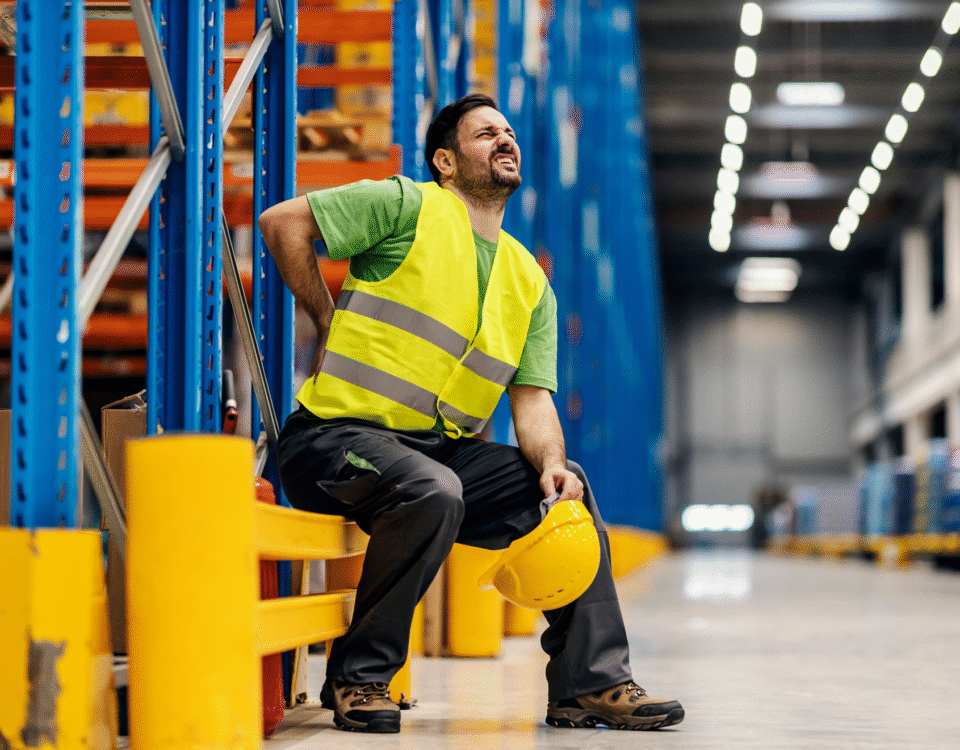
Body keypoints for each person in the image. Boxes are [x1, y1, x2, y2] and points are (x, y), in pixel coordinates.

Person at [258, 93, 684, 734]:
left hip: (434, 452)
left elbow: (533, 397)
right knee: (434, 489)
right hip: (332, 440)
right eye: (486, 133)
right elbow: (283, 222)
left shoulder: (527, 279)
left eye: (508, 132)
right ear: (446, 162)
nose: (504, 140)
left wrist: (552, 467)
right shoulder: (408, 205)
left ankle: (588, 683)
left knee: (567, 496)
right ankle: (360, 677)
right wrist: (323, 315)